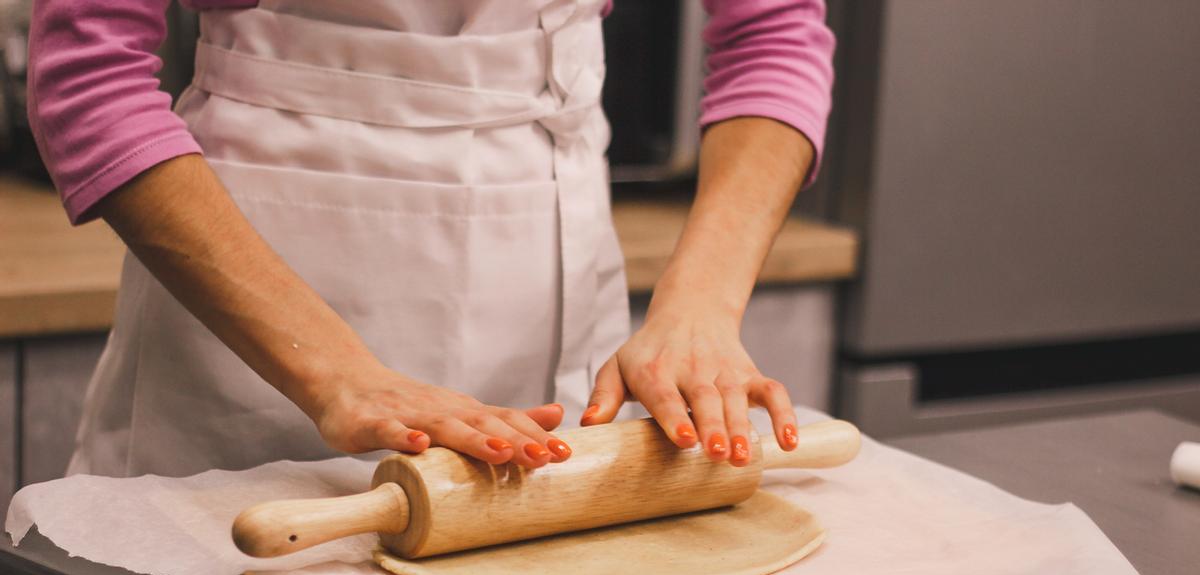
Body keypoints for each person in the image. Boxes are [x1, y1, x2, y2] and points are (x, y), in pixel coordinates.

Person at [27, 0, 835, 479]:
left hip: (553, 265)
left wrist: (699, 308)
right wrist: (340, 377)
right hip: (259, 328)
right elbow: (89, 80)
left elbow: (773, 38)